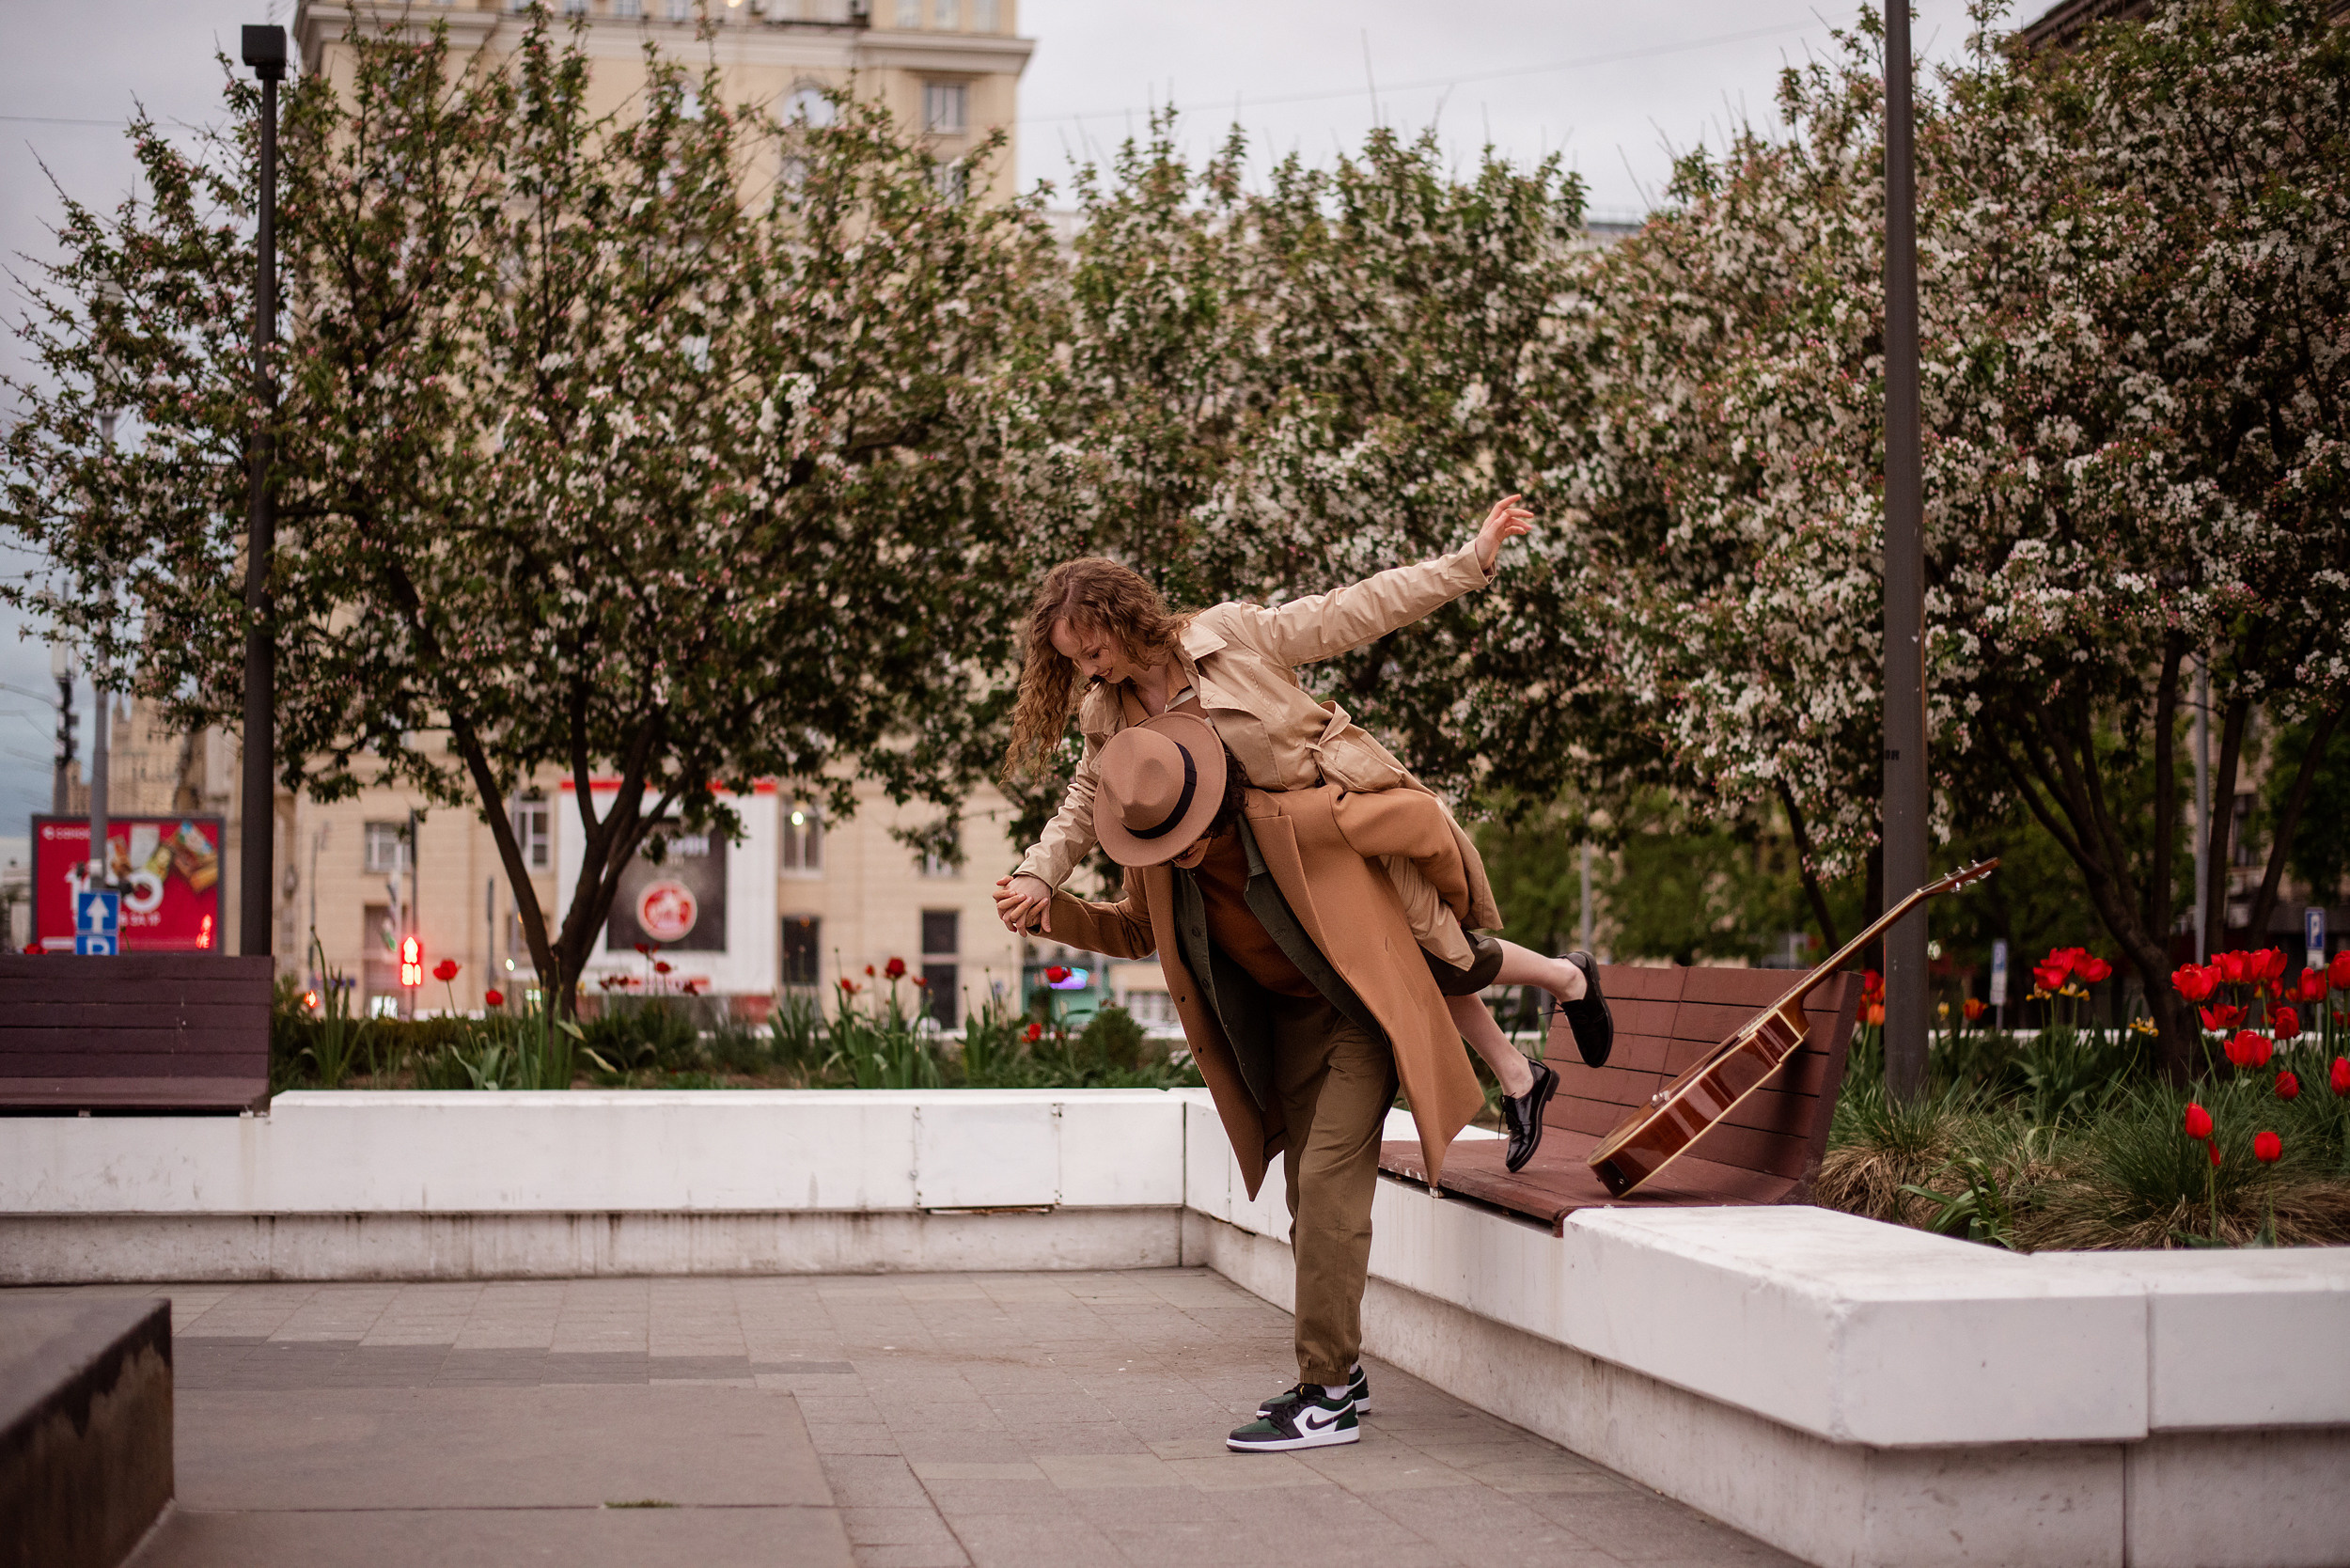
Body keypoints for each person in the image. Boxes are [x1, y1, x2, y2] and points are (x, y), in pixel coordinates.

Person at [995, 713, 1604, 1450]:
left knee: (1326, 1191)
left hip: (1356, 1017)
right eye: (1157, 845)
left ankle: (1327, 1395)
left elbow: (1404, 831)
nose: (1174, 859)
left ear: (1210, 804)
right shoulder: (1156, 847)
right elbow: (1135, 930)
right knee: (1305, 1200)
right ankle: (1344, 1369)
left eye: (1183, 840)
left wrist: (1449, 890)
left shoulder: (1289, 821)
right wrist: (1049, 911)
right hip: (1283, 1034)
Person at [994, 497, 1614, 1168]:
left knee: (1436, 951)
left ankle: (1557, 998)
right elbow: (1088, 795)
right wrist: (1038, 871)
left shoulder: (1228, 635)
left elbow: (1350, 612)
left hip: (1333, 827)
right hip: (1267, 866)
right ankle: (1531, 1057)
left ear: (1124, 617)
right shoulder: (1103, 710)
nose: (1088, 667)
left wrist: (1466, 565)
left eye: (1092, 649)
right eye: (1074, 660)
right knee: (1411, 961)